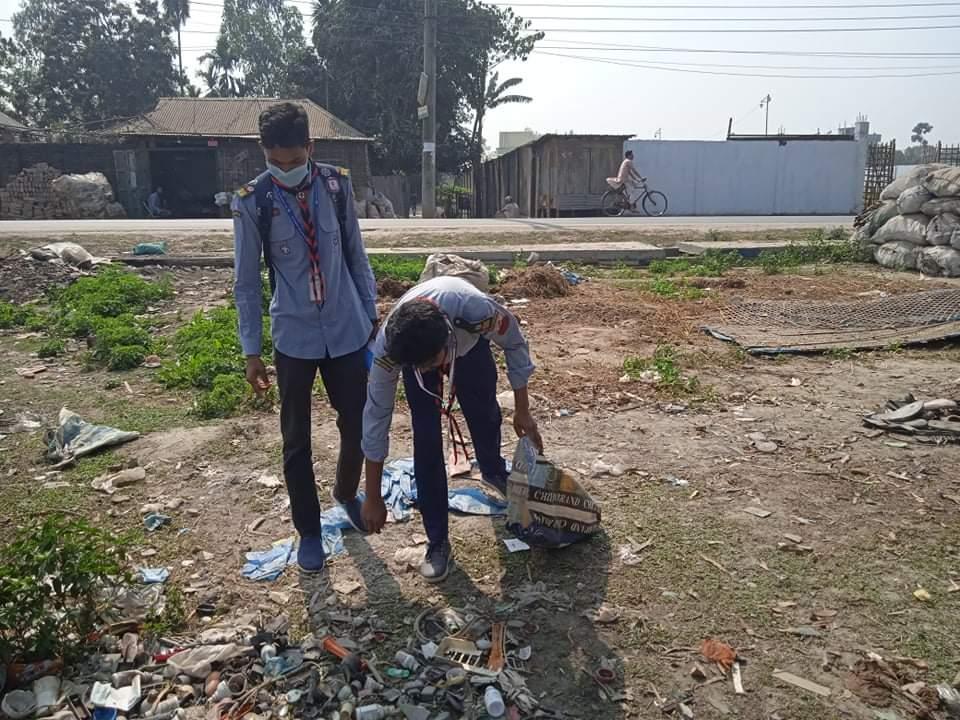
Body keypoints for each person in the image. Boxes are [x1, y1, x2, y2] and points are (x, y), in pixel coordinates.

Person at [232, 102, 378, 573]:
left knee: (357, 422)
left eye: (294, 161)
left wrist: (371, 315)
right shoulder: (253, 199)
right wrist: (251, 351)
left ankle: (344, 491)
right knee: (296, 440)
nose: (286, 169)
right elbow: (247, 281)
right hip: (293, 335)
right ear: (264, 152)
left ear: (310, 149)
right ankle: (309, 531)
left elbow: (356, 253)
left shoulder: (336, 184)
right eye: (276, 161)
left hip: (346, 327)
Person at [359, 276, 543, 582]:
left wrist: (523, 411)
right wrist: (373, 495)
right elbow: (377, 415)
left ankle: (493, 470)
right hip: (426, 348)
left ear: (447, 340)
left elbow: (514, 343)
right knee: (426, 440)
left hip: (469, 347)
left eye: (431, 364)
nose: (427, 372)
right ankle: (437, 541)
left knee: (484, 413)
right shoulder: (391, 350)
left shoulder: (477, 314)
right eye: (419, 368)